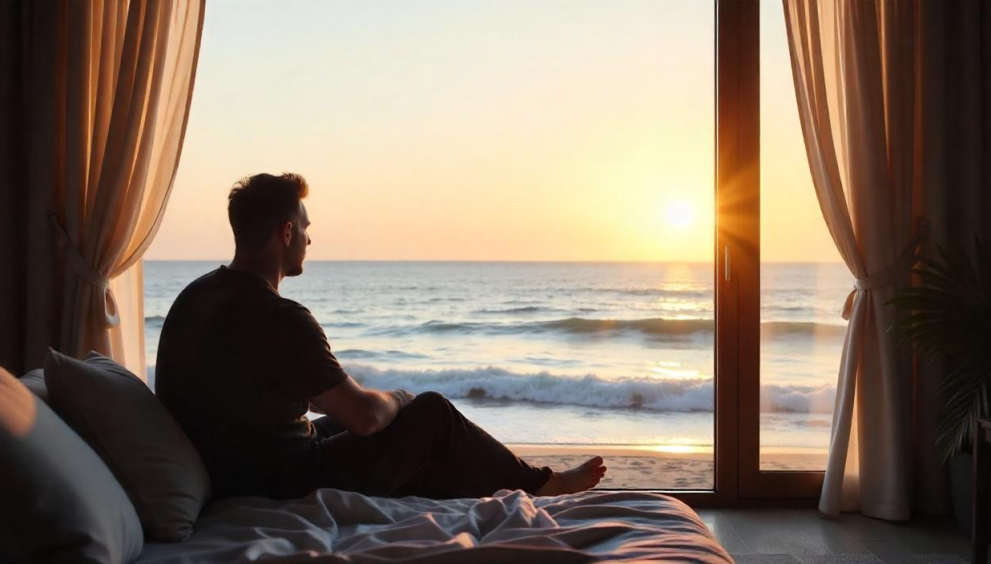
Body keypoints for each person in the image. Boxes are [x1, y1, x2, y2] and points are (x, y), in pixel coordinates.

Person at [155, 172, 607, 501]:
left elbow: (251, 393)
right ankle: (549, 485)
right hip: (278, 480)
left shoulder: (194, 298)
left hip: (230, 470)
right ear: (286, 232)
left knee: (406, 445)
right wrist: (399, 398)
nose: (309, 242)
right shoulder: (281, 316)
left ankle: (503, 491)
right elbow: (365, 418)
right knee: (429, 412)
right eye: (306, 229)